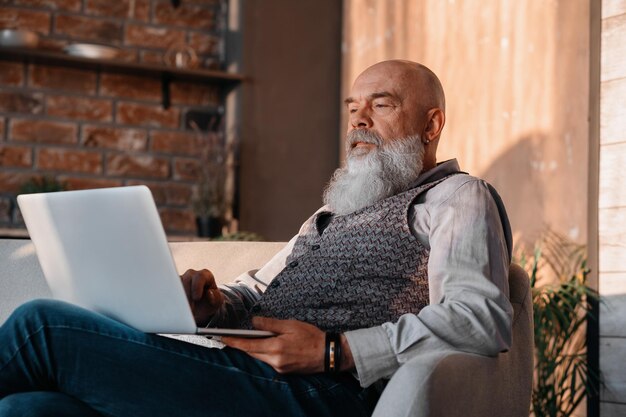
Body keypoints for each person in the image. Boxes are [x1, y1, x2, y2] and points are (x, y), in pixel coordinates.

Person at [0, 60, 513, 417]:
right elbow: (257, 289)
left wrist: (335, 352)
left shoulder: (457, 197)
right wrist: (214, 303)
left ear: (432, 123)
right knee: (30, 409)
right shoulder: (331, 212)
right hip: (239, 374)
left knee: (40, 326)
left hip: (319, 394)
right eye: (353, 106)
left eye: (380, 105)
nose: (358, 118)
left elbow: (479, 317)